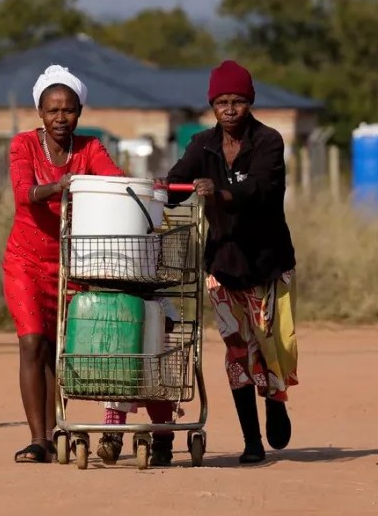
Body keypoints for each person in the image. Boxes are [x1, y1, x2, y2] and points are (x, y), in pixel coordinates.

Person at [161, 60, 298, 464]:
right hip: (222, 265)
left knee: (271, 344)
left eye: (238, 101)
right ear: (212, 106)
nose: (230, 109)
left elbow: (261, 190)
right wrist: (160, 189)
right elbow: (177, 182)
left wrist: (218, 192)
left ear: (250, 102)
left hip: (267, 262)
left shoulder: (268, 142)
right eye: (222, 102)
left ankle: (275, 399)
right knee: (237, 350)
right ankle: (251, 440)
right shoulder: (202, 144)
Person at [3, 64, 125, 464]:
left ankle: (56, 430)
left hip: (72, 263)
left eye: (68, 110)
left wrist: (142, 188)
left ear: (80, 112)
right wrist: (59, 186)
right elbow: (23, 192)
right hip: (25, 261)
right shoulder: (23, 145)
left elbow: (114, 181)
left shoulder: (89, 149)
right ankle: (37, 439)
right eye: (53, 110)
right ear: (39, 112)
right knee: (31, 342)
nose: (60, 117)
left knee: (59, 350)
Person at [96, 297, 182, 467]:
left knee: (160, 398)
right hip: (124, 362)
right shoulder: (119, 301)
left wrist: (159, 319)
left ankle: (162, 444)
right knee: (117, 393)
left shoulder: (161, 302)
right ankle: (112, 438)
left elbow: (171, 323)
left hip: (154, 364)